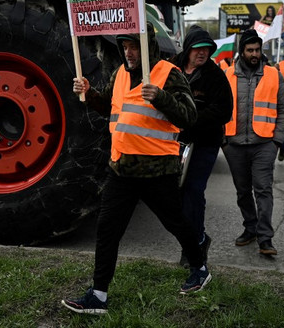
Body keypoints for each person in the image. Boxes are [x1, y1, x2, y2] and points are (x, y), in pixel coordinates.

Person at [63, 22, 210, 315]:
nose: (129, 52)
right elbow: (109, 106)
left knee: (176, 223)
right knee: (107, 230)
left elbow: (190, 116)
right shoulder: (119, 73)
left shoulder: (170, 74)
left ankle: (199, 266)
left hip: (157, 171)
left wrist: (162, 97)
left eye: (134, 46)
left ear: (148, 45)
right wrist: (90, 93)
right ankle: (99, 295)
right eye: (125, 46)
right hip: (121, 169)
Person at [222, 30, 284, 256]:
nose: (254, 54)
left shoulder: (273, 74)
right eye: (250, 50)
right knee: (243, 191)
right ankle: (250, 228)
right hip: (234, 143)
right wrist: (223, 139)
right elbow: (218, 108)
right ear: (241, 51)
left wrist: (277, 140)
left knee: (263, 189)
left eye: (257, 50)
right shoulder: (228, 74)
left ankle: (265, 238)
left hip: (264, 143)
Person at [172, 27, 233, 268]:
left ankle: (194, 246)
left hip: (205, 142)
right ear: (188, 49)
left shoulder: (215, 76)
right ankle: (196, 240)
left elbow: (224, 111)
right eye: (198, 48)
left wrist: (191, 118)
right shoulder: (172, 69)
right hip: (175, 142)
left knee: (193, 192)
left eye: (207, 48)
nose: (203, 52)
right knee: (175, 195)